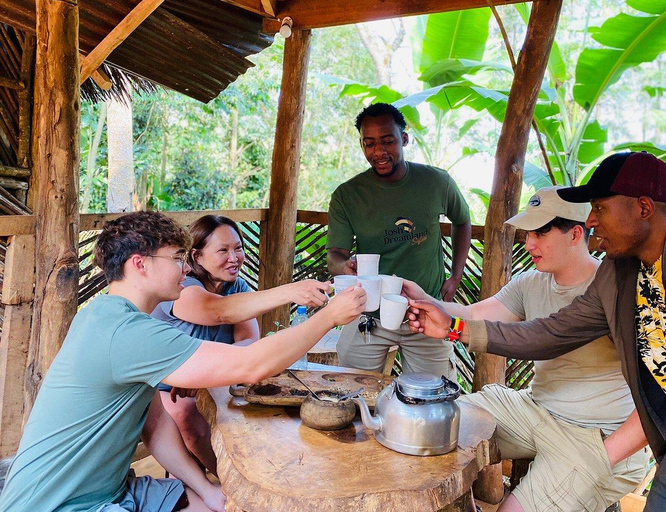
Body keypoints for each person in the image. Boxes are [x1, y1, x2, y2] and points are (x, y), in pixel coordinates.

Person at [408, 152, 666, 512]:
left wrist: (603, 455)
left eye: (601, 208)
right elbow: (550, 334)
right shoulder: (620, 274)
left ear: (643, 208)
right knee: (438, 421)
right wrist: (454, 326)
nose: (592, 220)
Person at [0, 211, 365, 512]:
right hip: (56, 504)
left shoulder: (106, 316)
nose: (186, 269)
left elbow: (155, 427)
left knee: (213, 504)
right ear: (139, 264)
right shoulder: (128, 333)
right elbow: (253, 363)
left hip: (111, 489)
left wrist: (204, 488)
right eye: (177, 258)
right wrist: (329, 316)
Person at [403, 186, 649, 512]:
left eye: (540, 233)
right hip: (534, 411)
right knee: (432, 427)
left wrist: (606, 455)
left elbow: (661, 389)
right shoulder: (530, 282)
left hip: (593, 435)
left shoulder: (616, 290)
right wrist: (427, 301)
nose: (529, 243)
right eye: (528, 232)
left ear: (576, 234)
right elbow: (476, 315)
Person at [150, 214, 332, 476]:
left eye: (238, 248)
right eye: (223, 250)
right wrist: (291, 291)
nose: (234, 257)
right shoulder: (182, 287)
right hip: (166, 387)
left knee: (256, 410)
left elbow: (248, 341)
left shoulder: (238, 287)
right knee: (187, 416)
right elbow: (217, 311)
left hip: (207, 379)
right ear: (197, 256)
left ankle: (270, 472)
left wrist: (202, 373)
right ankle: (229, 480)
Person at [327, 102, 471, 380]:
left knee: (437, 396)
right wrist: (344, 266)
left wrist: (456, 275)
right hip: (368, 313)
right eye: (369, 144)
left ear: (404, 139)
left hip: (427, 312)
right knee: (348, 391)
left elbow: (462, 221)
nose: (378, 152)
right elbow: (335, 253)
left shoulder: (436, 182)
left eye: (387, 141)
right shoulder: (347, 195)